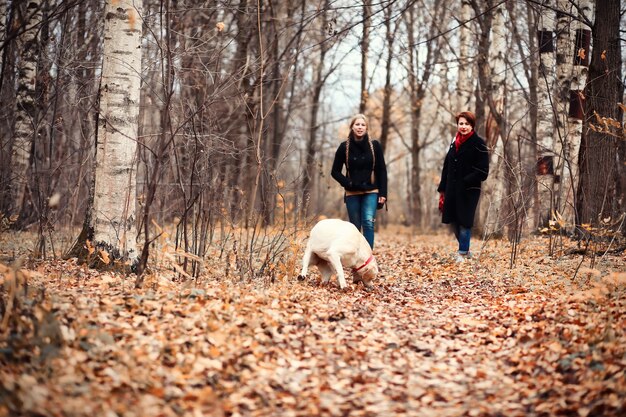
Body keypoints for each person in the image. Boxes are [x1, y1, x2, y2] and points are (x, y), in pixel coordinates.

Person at [437, 111, 489, 262]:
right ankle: (465, 250)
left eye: (467, 124)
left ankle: (462, 253)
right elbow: (447, 165)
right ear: (457, 125)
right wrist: (442, 187)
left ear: (472, 125)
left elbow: (483, 170)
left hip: (469, 190)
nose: (463, 127)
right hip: (451, 189)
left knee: (465, 220)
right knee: (453, 219)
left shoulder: (479, 143)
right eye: (461, 124)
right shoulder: (454, 142)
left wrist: (465, 180)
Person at [331, 114, 387, 249]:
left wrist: (383, 194)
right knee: (355, 227)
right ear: (352, 127)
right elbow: (335, 172)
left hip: (371, 190)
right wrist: (348, 183)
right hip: (352, 192)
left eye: (363, 125)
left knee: (368, 222)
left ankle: (367, 260)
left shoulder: (375, 146)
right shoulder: (344, 147)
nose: (360, 127)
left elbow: (381, 171)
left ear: (367, 127)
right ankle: (356, 260)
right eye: (357, 124)